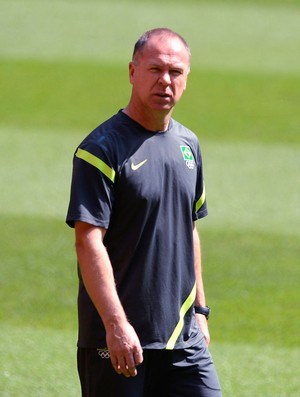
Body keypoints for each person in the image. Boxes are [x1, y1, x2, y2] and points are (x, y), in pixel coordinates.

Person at [66, 28, 222, 397]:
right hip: (121, 340)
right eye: (155, 70)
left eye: (175, 72)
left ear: (186, 79)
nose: (165, 81)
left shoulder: (189, 144)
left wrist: (200, 311)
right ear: (133, 72)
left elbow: (190, 228)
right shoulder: (101, 150)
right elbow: (88, 242)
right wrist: (116, 325)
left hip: (183, 339)